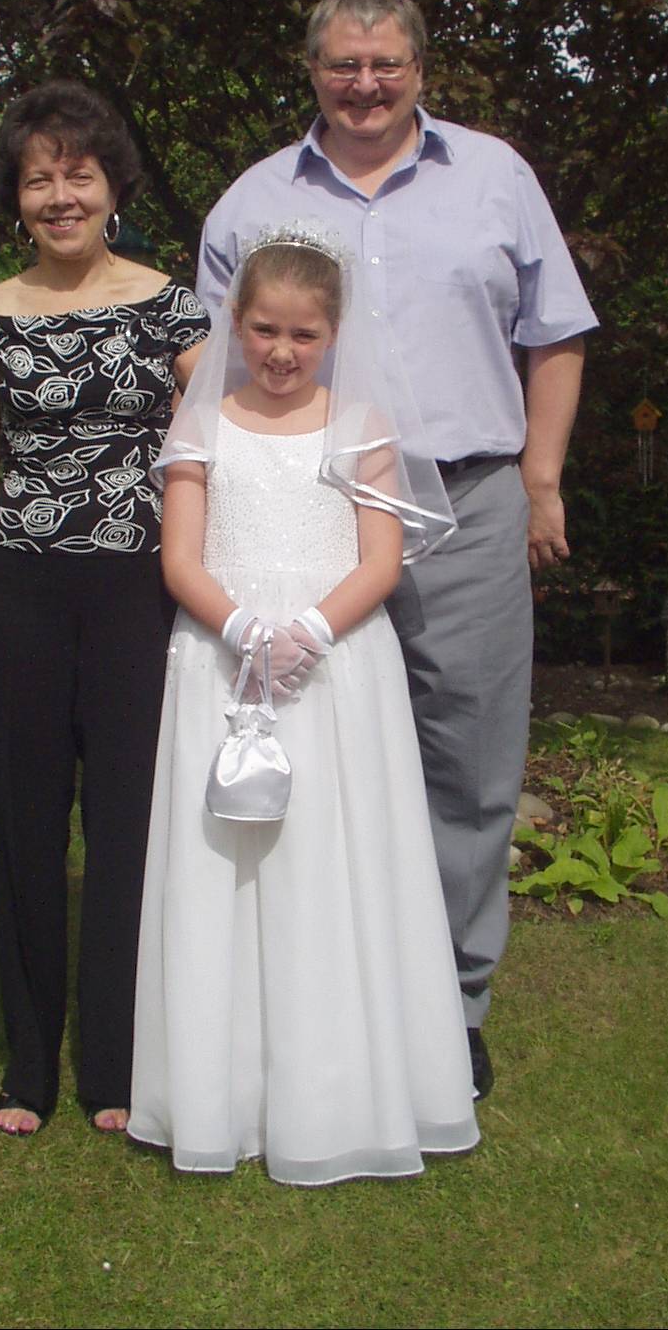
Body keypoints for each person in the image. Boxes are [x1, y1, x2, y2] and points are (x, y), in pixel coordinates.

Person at [196, 0, 598, 1100]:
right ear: (312, 71)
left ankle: (453, 1007)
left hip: (467, 506)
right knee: (318, 756)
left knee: (471, 764)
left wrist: (543, 480)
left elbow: (558, 335)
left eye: (386, 64)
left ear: (421, 68)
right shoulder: (254, 202)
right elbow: (210, 366)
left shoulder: (496, 177)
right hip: (313, 517)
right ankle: (321, 994)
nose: (365, 85)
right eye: (343, 64)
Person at [128, 224, 478, 1184]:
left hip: (335, 668)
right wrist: (244, 631)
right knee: (224, 867)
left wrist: (312, 632)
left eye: (304, 335)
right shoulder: (201, 425)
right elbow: (180, 558)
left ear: (333, 334)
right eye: (265, 330)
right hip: (222, 659)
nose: (282, 352)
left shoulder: (360, 424)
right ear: (236, 324)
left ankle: (340, 1087)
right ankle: (221, 1093)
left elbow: (380, 558)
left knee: (333, 859)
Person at [0, 80, 209, 1136]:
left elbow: (223, 446)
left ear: (111, 187)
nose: (60, 196)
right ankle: (28, 1064)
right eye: (38, 179)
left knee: (131, 823)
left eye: (79, 175)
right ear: (17, 197)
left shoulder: (171, 306)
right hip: (21, 593)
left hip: (137, 590)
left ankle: (115, 1062)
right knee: (24, 822)